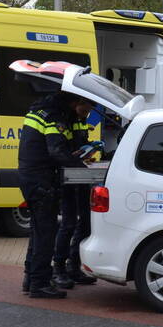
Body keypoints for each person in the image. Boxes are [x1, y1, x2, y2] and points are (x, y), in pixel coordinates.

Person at [18, 91, 91, 299]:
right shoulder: (53, 117)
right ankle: (39, 284)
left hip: (31, 178)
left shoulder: (39, 112)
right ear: (74, 101)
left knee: (37, 232)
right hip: (42, 181)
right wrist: (82, 168)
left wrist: (71, 155)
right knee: (46, 234)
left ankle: (30, 279)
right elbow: (56, 151)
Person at [52, 105, 99, 290]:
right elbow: (60, 152)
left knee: (86, 222)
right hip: (67, 178)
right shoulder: (64, 120)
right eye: (85, 109)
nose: (87, 112)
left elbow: (79, 146)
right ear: (76, 103)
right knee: (68, 224)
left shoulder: (81, 119)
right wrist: (77, 157)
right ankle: (59, 269)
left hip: (79, 175)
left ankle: (74, 266)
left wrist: (88, 151)